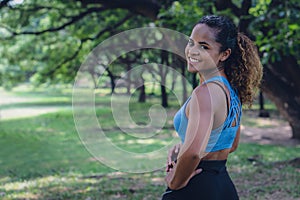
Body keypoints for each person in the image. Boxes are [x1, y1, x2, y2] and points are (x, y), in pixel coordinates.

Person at [161, 15, 263, 200]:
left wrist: (175, 182)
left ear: (224, 54)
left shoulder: (205, 94)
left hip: (196, 187)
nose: (192, 51)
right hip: (222, 186)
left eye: (204, 47)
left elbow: (193, 154)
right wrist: (183, 147)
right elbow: (231, 145)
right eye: (191, 43)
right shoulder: (231, 91)